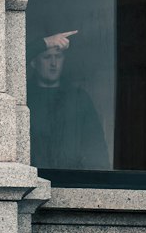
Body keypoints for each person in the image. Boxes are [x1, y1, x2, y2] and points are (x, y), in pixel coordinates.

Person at [27, 29, 110, 171]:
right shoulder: (25, 98)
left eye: (58, 57)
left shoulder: (78, 98)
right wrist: (44, 43)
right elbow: (8, 64)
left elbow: (95, 146)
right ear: (34, 63)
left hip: (71, 180)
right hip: (34, 181)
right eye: (47, 58)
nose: (54, 63)